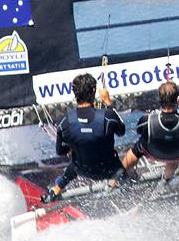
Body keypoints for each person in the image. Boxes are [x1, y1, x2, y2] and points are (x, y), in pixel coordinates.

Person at [40, 73, 126, 203]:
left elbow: (60, 151)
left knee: (74, 163)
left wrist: (75, 147)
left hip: (83, 170)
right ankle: (125, 185)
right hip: (110, 169)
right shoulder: (108, 116)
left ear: (74, 93)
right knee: (123, 164)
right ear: (93, 91)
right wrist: (108, 102)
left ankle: (56, 189)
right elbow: (121, 131)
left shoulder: (65, 121)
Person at [120, 81, 179, 181]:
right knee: (176, 147)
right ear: (178, 100)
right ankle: (166, 178)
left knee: (138, 147)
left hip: (152, 152)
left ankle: (118, 177)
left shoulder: (146, 121)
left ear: (159, 100)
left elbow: (140, 132)